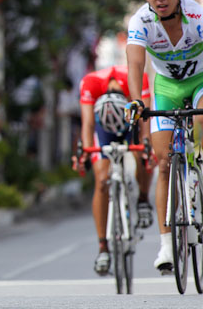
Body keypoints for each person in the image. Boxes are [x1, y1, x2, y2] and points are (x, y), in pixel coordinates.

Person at [126, 0, 202, 273]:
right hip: (167, 87)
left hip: (199, 81)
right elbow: (135, 64)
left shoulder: (198, 15)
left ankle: (197, 168)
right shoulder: (140, 21)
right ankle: (167, 246)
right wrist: (135, 101)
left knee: (199, 121)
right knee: (163, 162)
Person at [75, 65, 153, 276]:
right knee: (101, 180)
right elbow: (88, 123)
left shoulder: (137, 79)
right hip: (103, 126)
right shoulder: (90, 83)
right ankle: (103, 246)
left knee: (143, 153)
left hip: (131, 121)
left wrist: (146, 147)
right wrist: (84, 151)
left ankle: (144, 199)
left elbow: (146, 123)